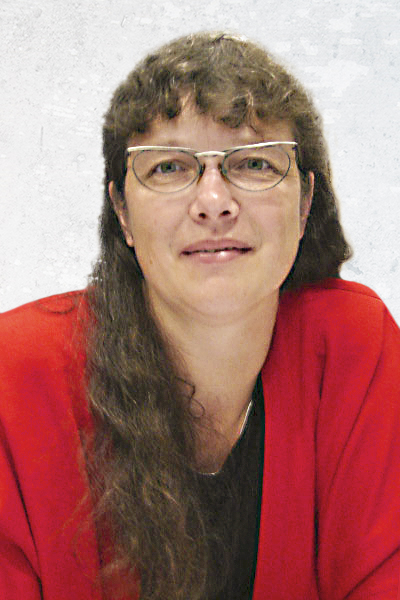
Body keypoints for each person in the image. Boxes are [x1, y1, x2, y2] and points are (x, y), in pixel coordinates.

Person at [0, 31, 399, 600]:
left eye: (255, 163)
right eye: (168, 168)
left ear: (305, 204)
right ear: (122, 212)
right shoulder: (15, 372)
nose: (214, 202)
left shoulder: (353, 346)